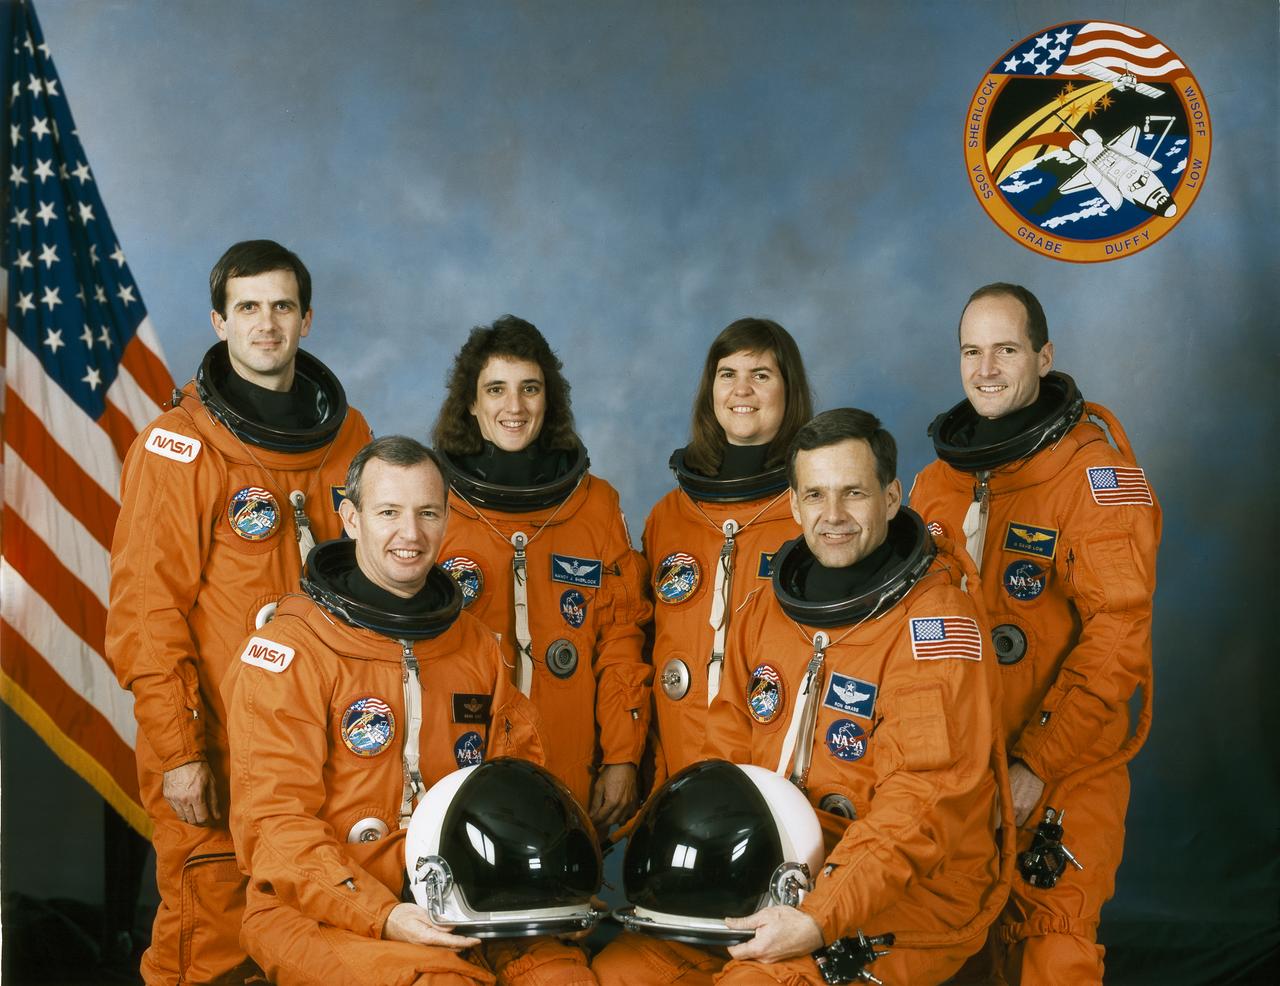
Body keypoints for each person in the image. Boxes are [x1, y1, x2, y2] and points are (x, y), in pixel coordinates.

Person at [595, 409, 1010, 986]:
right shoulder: (768, 608)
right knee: (616, 972)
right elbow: (727, 755)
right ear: (793, 505)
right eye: (815, 494)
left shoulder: (935, 627)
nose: (832, 516)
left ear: (891, 498)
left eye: (853, 493)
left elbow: (921, 804)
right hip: (772, 874)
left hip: (905, 894)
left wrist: (819, 914)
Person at [106, 240, 372, 985]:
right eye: (248, 307)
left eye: (281, 306)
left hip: (333, 754)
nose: (266, 323)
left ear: (307, 321)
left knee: (322, 949)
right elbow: (145, 614)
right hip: (223, 749)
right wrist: (180, 754)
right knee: (209, 952)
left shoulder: (348, 438)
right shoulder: (178, 447)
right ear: (219, 322)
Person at [222, 436, 573, 986]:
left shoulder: (474, 647)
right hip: (319, 910)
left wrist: (541, 892)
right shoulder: (293, 652)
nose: (410, 534)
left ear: (445, 518)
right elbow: (275, 826)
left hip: (464, 901)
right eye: (389, 512)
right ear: (351, 518)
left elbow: (515, 784)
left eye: (427, 513)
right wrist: (381, 914)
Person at [909, 283, 1161, 985]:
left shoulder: (1096, 478)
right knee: (959, 950)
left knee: (1053, 948)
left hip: (1064, 771)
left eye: (1006, 350)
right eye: (971, 351)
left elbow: (1118, 637)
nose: (985, 369)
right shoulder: (934, 485)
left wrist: (1039, 761)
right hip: (963, 777)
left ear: (1044, 356)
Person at [430, 316, 652, 831]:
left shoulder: (595, 506)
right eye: (496, 389)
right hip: (460, 759)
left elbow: (621, 641)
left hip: (569, 756)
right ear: (471, 402)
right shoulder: (433, 505)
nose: (515, 407)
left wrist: (622, 757)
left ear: (548, 399)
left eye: (529, 388)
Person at [642, 318, 813, 784]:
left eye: (760, 375)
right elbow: (643, 645)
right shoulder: (670, 516)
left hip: (773, 767)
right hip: (675, 758)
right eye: (727, 374)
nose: (742, 390)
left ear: (788, 390)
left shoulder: (812, 514)